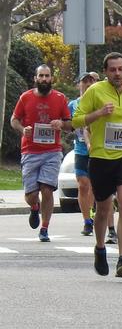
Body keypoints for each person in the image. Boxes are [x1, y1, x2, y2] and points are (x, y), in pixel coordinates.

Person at [71, 53, 122, 277]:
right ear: (105, 72)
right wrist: (99, 113)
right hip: (101, 156)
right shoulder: (95, 91)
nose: (118, 73)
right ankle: (100, 248)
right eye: (113, 70)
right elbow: (76, 120)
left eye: (121, 69)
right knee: (103, 208)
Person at [11, 64, 71, 242]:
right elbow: (14, 120)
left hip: (52, 151)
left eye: (47, 76)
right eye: (41, 76)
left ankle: (44, 228)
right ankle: (34, 207)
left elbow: (69, 124)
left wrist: (61, 123)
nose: (44, 79)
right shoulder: (25, 97)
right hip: (30, 151)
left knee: (47, 189)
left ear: (52, 78)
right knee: (31, 195)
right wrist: (23, 129)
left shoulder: (60, 98)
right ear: (35, 78)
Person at [68, 71, 99, 236]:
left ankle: (93, 212)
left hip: (98, 148)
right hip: (81, 149)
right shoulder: (72, 105)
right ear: (78, 85)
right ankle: (87, 221)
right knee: (82, 184)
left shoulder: (99, 103)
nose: (88, 84)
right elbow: (66, 123)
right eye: (84, 81)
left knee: (94, 185)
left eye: (91, 81)